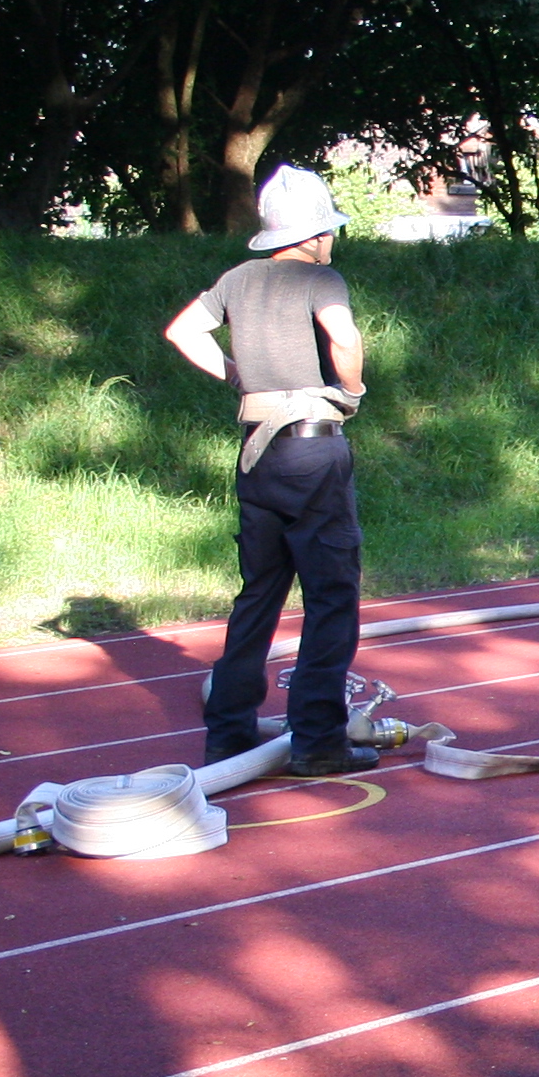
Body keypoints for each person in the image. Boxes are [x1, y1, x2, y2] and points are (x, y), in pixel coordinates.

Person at [162, 166, 378, 775]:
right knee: (331, 596)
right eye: (329, 229)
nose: (332, 239)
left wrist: (236, 374)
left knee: (259, 593)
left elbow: (183, 331)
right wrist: (352, 391)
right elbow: (343, 337)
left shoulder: (236, 280)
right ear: (314, 234)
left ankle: (229, 734)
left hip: (257, 455)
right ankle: (318, 741)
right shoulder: (320, 277)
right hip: (313, 451)